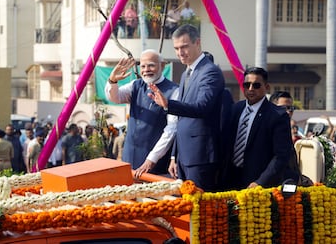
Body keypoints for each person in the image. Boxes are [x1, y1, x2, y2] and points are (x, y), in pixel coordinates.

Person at [148, 24, 225, 191]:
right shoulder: (186, 73)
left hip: (201, 155)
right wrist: (175, 156)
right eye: (176, 48)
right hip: (184, 156)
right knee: (186, 209)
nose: (180, 52)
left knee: (200, 211)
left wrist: (168, 104)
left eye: (184, 47)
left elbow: (202, 107)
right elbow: (180, 120)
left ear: (197, 43)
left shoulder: (210, 72)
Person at [105, 49, 179, 178]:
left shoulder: (174, 91)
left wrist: (152, 158)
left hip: (156, 162)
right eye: (143, 66)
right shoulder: (136, 85)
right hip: (130, 157)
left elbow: (172, 129)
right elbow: (114, 98)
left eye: (151, 65)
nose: (146, 70)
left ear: (162, 65)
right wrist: (112, 81)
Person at [222, 67, 295, 190]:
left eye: (256, 85)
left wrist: (261, 182)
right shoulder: (235, 109)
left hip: (258, 184)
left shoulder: (277, 115)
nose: (250, 89)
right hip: (230, 180)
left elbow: (281, 156)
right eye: (247, 85)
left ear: (266, 87)